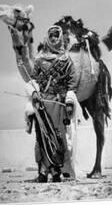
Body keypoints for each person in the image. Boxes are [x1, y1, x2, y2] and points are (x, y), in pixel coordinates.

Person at [25, 25, 79, 182]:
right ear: (48, 38)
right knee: (42, 137)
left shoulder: (66, 60)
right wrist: (34, 92)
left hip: (58, 104)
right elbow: (33, 79)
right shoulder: (39, 60)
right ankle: (43, 172)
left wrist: (69, 100)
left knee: (58, 137)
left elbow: (72, 81)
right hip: (41, 104)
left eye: (57, 35)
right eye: (52, 35)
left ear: (60, 37)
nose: (54, 38)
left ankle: (59, 171)